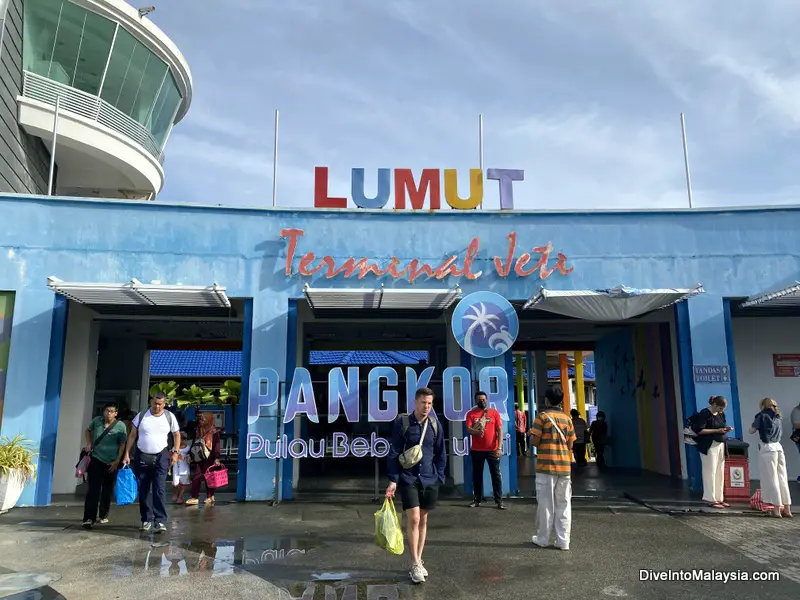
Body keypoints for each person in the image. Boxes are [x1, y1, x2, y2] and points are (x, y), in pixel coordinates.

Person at [386, 387, 446, 585]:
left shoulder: (435, 424)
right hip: (408, 478)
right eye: (423, 403)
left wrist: (439, 475)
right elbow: (394, 452)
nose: (426, 407)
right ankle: (413, 563)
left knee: (423, 521)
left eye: (429, 403)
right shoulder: (403, 423)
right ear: (415, 402)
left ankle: (419, 559)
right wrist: (393, 479)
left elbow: (441, 452)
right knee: (414, 518)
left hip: (429, 478)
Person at [123, 392, 181, 533]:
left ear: (164, 404)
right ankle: (146, 519)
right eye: (155, 403)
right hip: (142, 455)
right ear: (151, 402)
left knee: (159, 488)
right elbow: (132, 435)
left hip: (161, 456)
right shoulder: (142, 415)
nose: (157, 406)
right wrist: (127, 454)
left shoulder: (169, 416)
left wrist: (176, 452)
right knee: (143, 488)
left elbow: (176, 434)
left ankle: (160, 521)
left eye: (160, 404)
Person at [529, 387, 576, 550]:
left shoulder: (541, 417)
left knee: (546, 504)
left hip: (546, 467)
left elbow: (535, 442)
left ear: (547, 400)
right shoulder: (567, 418)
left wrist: (531, 435)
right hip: (564, 468)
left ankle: (543, 539)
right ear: (560, 401)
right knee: (564, 504)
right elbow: (571, 444)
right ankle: (564, 542)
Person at [81, 402, 128, 529]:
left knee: (107, 490)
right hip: (95, 459)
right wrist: (89, 443)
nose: (109, 413)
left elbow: (122, 444)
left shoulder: (120, 426)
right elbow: (88, 430)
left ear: (116, 413)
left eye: (112, 411)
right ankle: (88, 518)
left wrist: (117, 461)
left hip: (111, 462)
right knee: (93, 490)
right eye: (107, 411)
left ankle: (103, 514)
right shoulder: (97, 421)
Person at [749, 398, 792, 518]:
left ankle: (776, 509)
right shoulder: (778, 416)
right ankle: (787, 509)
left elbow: (751, 430)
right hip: (778, 447)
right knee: (782, 478)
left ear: (763, 405)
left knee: (771, 479)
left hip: (767, 447)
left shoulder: (761, 415)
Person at [689, 396, 732, 509]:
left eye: (723, 409)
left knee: (719, 471)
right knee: (710, 471)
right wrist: (717, 430)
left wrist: (725, 429)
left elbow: (722, 425)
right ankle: (710, 498)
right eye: (720, 408)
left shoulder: (721, 414)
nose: (722, 411)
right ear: (714, 405)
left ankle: (719, 498)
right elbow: (699, 430)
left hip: (720, 443)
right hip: (708, 444)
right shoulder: (704, 414)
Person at [465, 391, 506, 509]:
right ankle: (477, 499)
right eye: (479, 400)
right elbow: (468, 429)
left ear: (487, 400)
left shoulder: (494, 413)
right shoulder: (471, 414)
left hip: (492, 449)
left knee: (496, 475)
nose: (481, 401)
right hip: (477, 450)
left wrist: (499, 447)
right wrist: (476, 432)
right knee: (477, 475)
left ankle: (499, 501)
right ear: (475, 401)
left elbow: (499, 430)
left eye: (483, 399)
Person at [185, 412, 222, 505]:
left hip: (210, 458)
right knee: (196, 477)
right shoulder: (199, 430)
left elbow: (217, 445)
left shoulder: (214, 432)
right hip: (199, 457)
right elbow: (195, 443)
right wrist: (190, 454)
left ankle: (210, 496)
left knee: (209, 477)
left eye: (203, 420)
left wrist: (217, 457)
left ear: (208, 420)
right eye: (200, 420)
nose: (201, 421)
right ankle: (194, 497)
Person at [171, 435, 191, 504]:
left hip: (185, 469)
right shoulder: (175, 448)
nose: (182, 441)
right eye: (181, 439)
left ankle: (180, 497)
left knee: (184, 484)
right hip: (176, 468)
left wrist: (185, 458)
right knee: (175, 483)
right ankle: (176, 493)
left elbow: (190, 459)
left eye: (184, 439)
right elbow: (171, 457)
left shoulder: (188, 448)